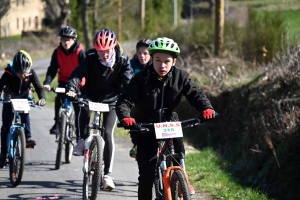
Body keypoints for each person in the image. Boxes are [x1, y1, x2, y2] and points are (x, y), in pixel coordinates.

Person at [115, 37, 215, 199]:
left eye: (167, 61)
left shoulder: (180, 77)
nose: (162, 65)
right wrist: (126, 117)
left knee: (178, 154)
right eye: (157, 60)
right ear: (151, 59)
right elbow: (124, 101)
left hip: (169, 122)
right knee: (147, 175)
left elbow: (196, 94)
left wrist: (206, 108)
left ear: (174, 62)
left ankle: (181, 179)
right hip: (144, 125)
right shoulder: (141, 79)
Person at [65, 28, 133, 190]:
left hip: (112, 99)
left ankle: (108, 175)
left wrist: (128, 97)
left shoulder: (122, 60)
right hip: (91, 95)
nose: (104, 54)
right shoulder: (90, 57)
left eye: (107, 50)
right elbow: (77, 74)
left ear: (114, 45)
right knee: (82, 107)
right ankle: (81, 140)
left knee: (108, 133)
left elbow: (128, 81)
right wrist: (72, 89)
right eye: (100, 51)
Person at [0, 50, 46, 168]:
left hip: (24, 97)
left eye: (26, 72)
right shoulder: (8, 72)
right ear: (15, 68)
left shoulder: (31, 72)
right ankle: (3, 154)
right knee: (5, 126)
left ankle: (28, 137)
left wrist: (42, 98)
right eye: (21, 73)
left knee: (25, 115)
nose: (24, 75)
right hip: (9, 97)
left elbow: (39, 88)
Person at [43, 26, 85, 141]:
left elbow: (86, 70)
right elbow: (52, 69)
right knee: (59, 99)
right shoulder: (57, 52)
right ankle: (57, 123)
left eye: (68, 40)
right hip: (64, 81)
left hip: (77, 83)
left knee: (78, 107)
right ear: (60, 40)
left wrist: (84, 86)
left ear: (74, 40)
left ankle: (78, 133)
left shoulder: (80, 52)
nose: (66, 42)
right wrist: (47, 82)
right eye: (63, 39)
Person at [128, 38, 152, 158]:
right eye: (140, 53)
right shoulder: (131, 65)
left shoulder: (156, 65)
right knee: (133, 115)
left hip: (153, 100)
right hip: (136, 101)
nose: (142, 56)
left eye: (146, 53)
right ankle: (136, 144)